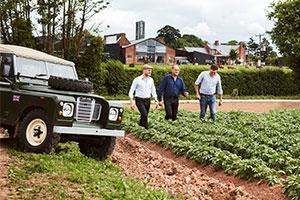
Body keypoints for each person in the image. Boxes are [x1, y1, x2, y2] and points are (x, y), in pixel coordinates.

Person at [128, 64, 159, 129]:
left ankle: (140, 126)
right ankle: (146, 129)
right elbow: (131, 91)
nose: (150, 72)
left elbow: (153, 91)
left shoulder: (151, 80)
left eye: (151, 70)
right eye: (149, 70)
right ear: (144, 70)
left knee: (144, 115)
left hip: (148, 100)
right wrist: (131, 101)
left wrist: (156, 100)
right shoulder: (137, 80)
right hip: (139, 100)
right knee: (144, 114)